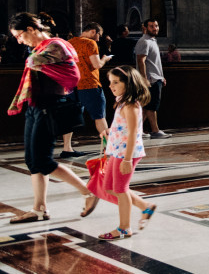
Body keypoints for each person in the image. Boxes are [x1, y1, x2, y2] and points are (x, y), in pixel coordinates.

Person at [6, 12, 101, 223]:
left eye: (19, 35)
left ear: (31, 29)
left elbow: (39, 62)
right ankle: (39, 209)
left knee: (43, 160)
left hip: (49, 108)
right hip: (35, 106)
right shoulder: (40, 49)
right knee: (32, 161)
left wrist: (34, 60)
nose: (19, 41)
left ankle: (88, 192)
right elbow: (34, 62)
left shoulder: (56, 45)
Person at [96, 65, 157, 239]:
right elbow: (122, 128)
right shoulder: (122, 102)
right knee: (109, 187)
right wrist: (109, 132)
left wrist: (127, 160)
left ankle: (124, 228)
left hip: (127, 154)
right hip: (118, 151)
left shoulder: (131, 106)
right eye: (110, 82)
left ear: (128, 83)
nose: (111, 86)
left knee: (120, 189)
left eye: (116, 82)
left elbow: (133, 133)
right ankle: (145, 206)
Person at [62, 23, 113, 158]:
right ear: (92, 31)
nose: (98, 39)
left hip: (72, 85)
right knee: (99, 116)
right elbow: (96, 65)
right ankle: (108, 147)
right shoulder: (90, 43)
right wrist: (105, 59)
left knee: (70, 117)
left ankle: (67, 148)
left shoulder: (69, 43)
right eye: (98, 35)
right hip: (89, 84)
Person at [134, 19, 170, 139]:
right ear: (145, 27)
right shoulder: (144, 41)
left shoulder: (152, 41)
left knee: (146, 106)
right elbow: (141, 61)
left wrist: (161, 76)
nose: (155, 28)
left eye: (156, 25)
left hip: (156, 77)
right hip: (150, 79)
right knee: (151, 106)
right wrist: (144, 79)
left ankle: (137, 130)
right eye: (152, 26)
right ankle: (155, 130)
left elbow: (155, 63)